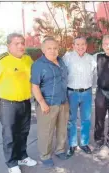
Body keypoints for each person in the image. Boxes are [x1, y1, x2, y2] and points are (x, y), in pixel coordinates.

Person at [0, 33, 37, 173]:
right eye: (16, 43)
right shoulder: (1, 60)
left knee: (24, 131)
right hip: (8, 105)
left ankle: (22, 156)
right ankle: (11, 163)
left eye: (22, 43)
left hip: (25, 102)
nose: (20, 46)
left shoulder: (27, 59)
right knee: (10, 134)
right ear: (8, 45)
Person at [31, 37, 69, 167]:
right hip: (48, 104)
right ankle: (45, 155)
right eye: (49, 48)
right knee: (46, 131)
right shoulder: (38, 65)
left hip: (63, 101)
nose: (52, 51)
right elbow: (35, 86)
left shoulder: (61, 61)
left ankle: (60, 150)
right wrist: (42, 103)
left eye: (55, 48)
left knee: (62, 128)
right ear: (43, 50)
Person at [62, 36, 96, 156]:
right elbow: (62, 73)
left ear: (86, 46)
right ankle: (72, 144)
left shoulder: (91, 59)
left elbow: (94, 74)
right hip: (72, 93)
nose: (80, 47)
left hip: (86, 93)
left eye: (83, 44)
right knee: (71, 120)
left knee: (86, 119)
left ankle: (84, 143)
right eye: (77, 44)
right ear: (73, 46)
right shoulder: (67, 58)